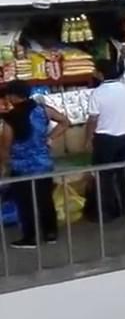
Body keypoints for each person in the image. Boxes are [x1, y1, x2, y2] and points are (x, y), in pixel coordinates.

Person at [0, 82, 68, 248]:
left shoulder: (10, 119)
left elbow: (5, 146)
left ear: (13, 96)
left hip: (21, 167)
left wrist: (3, 165)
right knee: (45, 199)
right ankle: (50, 233)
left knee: (25, 203)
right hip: (43, 163)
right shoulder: (42, 110)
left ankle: (30, 238)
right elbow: (65, 121)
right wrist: (50, 138)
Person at [86, 59, 125, 221]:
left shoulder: (98, 93)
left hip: (105, 140)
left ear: (100, 74)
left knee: (104, 177)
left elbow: (93, 119)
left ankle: (108, 212)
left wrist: (88, 139)